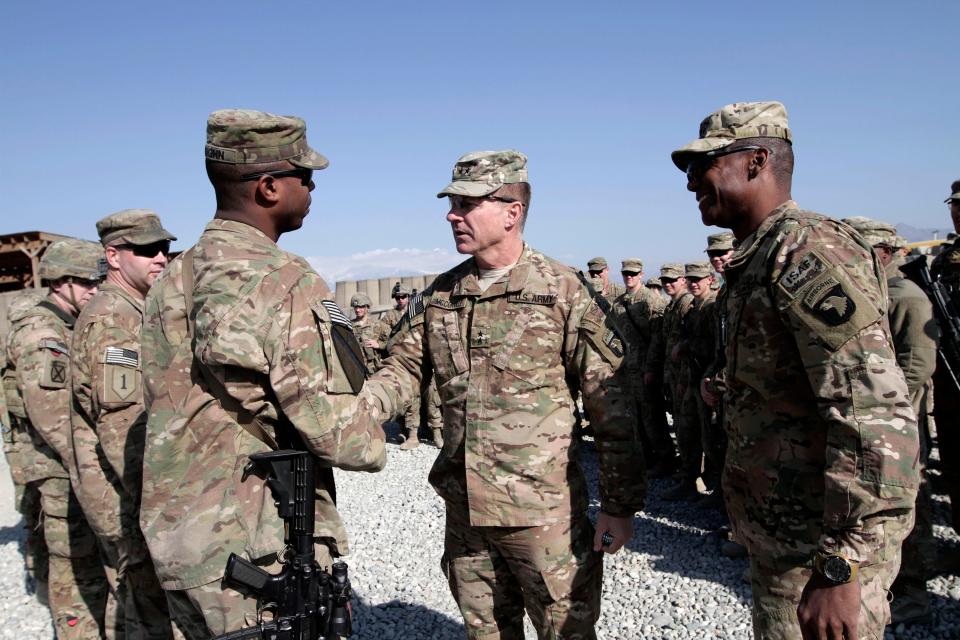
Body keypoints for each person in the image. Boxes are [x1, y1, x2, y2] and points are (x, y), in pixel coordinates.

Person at [362, 149, 645, 639]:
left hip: (542, 516)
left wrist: (619, 506)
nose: (453, 214)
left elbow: (611, 406)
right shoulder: (441, 296)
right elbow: (403, 368)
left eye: (468, 203)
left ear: (512, 211)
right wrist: (353, 412)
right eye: (452, 203)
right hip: (466, 512)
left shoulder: (563, 292)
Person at [674, 100, 919, 638]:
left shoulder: (805, 250)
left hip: (821, 551)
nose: (692, 183)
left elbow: (876, 415)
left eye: (704, 166)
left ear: (758, 160)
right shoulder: (757, 255)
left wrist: (842, 566)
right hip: (785, 540)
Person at [139, 109, 387, 638]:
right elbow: (349, 442)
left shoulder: (172, 278)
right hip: (257, 550)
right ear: (270, 187)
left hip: (183, 543)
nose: (313, 187)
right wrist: (391, 392)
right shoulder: (287, 280)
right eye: (306, 176)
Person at [70, 209, 176, 639]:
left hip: (135, 496)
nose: (161, 258)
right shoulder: (113, 320)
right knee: (149, 612)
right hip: (128, 499)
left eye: (164, 248)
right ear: (113, 256)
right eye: (147, 249)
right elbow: (123, 428)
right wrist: (165, 504)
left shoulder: (135, 309)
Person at [6, 239, 111, 639]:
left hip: (63, 463)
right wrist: (92, 467)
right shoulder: (41, 334)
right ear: (60, 283)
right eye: (86, 284)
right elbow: (52, 417)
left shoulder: (66, 324)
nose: (94, 291)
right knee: (72, 558)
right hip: (54, 467)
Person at [844, 217, 938, 625]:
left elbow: (917, 366)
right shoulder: (876, 291)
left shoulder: (905, 297)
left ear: (882, 252)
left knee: (906, 504)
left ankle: (914, 590)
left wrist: (876, 404)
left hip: (900, 424)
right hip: (875, 424)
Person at [2, 289, 50, 600]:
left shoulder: (11, 348)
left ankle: (38, 575)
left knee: (34, 515)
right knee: (38, 517)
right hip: (29, 448)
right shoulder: (31, 345)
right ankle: (40, 579)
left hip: (21, 447)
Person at [614, 258, 674, 475]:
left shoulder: (650, 300)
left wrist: (652, 369)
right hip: (627, 369)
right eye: (626, 274)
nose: (629, 277)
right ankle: (646, 458)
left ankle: (665, 460)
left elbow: (658, 339)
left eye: (633, 273)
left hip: (645, 369)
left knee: (652, 416)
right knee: (635, 416)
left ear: (641, 274)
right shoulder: (618, 303)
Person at [646, 263, 695, 500]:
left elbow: (693, 340)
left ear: (683, 279)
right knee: (681, 425)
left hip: (685, 376)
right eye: (665, 280)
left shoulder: (687, 304)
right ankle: (686, 472)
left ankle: (692, 479)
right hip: (674, 375)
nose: (668, 284)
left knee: (688, 429)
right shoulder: (672, 306)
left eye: (672, 280)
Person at [676, 261, 721, 506]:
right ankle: (689, 481)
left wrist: (686, 346)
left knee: (712, 439)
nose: (694, 283)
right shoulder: (693, 307)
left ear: (710, 279)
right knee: (687, 433)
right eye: (690, 279)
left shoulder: (713, 306)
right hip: (693, 378)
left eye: (698, 279)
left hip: (708, 381)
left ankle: (719, 491)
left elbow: (716, 348)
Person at [351, 292, 381, 372]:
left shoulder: (376, 324)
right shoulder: (349, 325)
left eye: (361, 307)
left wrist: (378, 345)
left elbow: (390, 342)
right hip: (356, 368)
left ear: (367, 307)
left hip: (373, 369)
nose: (357, 310)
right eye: (355, 307)